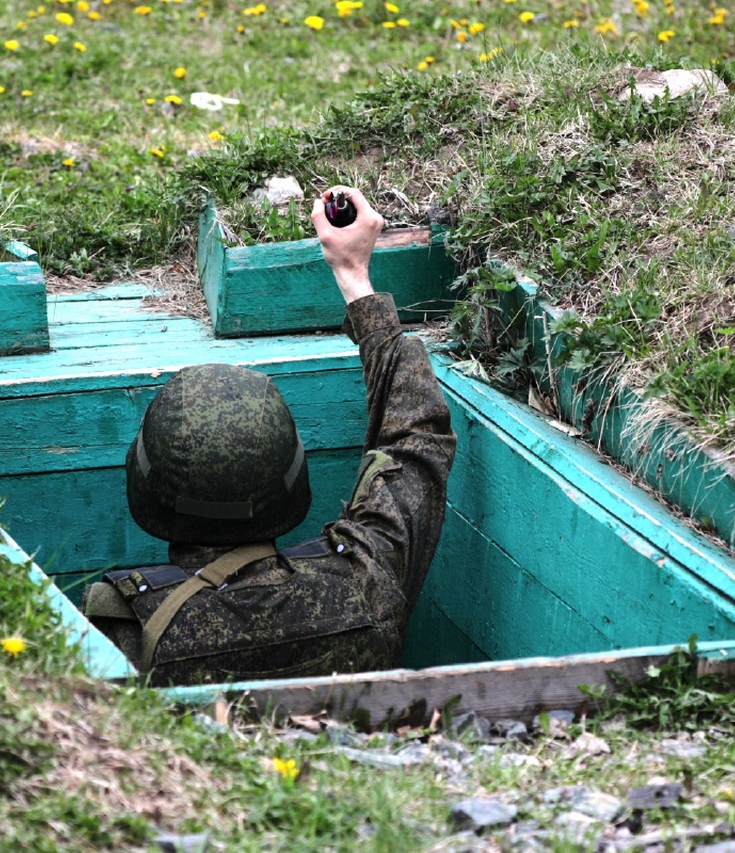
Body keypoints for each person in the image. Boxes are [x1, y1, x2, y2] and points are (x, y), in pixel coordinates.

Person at [83, 187, 457, 685]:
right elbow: (416, 437)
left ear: (144, 486)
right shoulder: (368, 582)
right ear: (295, 479)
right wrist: (353, 276)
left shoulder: (121, 639)